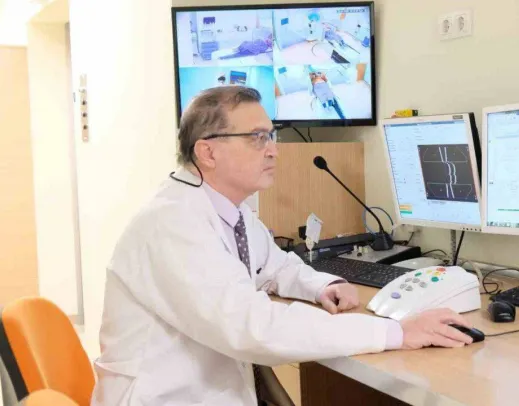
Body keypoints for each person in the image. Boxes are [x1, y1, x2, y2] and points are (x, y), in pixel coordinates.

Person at [91, 86, 473, 405]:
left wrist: (321, 285)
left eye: (271, 136)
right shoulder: (172, 223)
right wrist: (396, 333)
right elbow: (253, 327)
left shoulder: (229, 209)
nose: (274, 149)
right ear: (208, 152)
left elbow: (275, 265)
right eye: (257, 137)